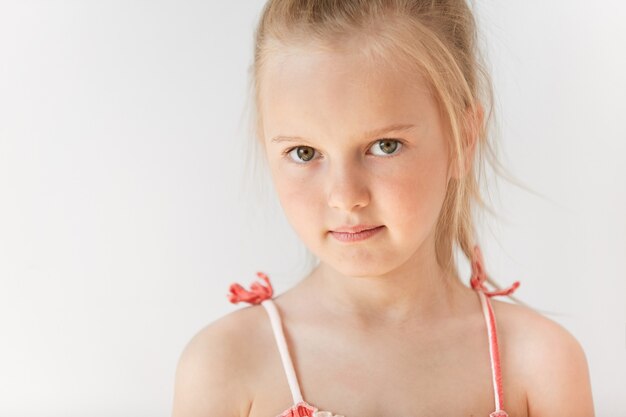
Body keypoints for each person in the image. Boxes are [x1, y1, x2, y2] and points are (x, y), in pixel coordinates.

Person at [171, 1, 595, 416]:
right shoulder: (224, 368)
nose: (344, 195)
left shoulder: (539, 366)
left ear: (463, 140)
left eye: (384, 146)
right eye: (304, 152)